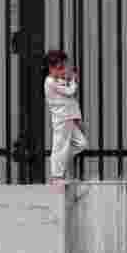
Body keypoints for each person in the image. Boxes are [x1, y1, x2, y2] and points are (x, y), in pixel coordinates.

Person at [43, 49, 88, 184]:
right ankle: (56, 176)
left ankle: (60, 166)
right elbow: (70, 91)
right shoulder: (50, 81)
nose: (63, 70)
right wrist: (72, 79)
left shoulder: (57, 80)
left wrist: (68, 78)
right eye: (60, 67)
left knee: (81, 144)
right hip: (61, 118)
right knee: (59, 146)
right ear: (51, 67)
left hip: (69, 118)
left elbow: (69, 94)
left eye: (63, 66)